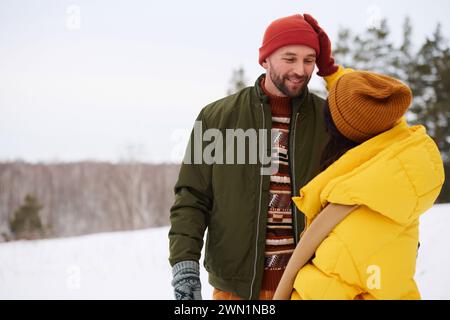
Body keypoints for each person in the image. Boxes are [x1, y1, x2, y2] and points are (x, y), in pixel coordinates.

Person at [169, 13, 339, 300]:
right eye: (290, 58)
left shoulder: (331, 121)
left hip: (311, 285)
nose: (300, 69)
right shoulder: (218, 118)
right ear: (265, 60)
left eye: (309, 60)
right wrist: (184, 265)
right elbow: (192, 197)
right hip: (235, 290)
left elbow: (362, 187)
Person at [273, 69, 445, 300]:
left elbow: (325, 291)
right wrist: (333, 72)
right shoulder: (392, 172)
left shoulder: (355, 217)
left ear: (337, 133)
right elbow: (372, 110)